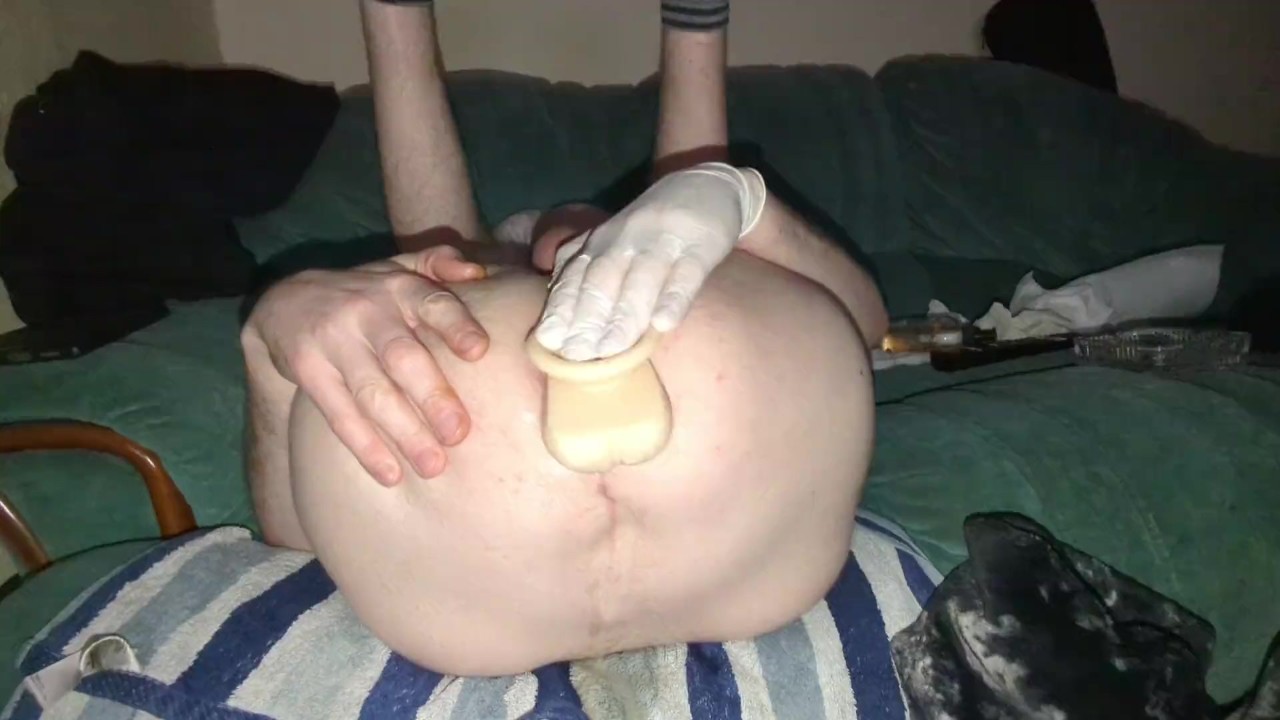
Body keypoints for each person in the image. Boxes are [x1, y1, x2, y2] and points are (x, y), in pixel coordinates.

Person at [240, 0, 890, 677]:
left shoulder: (503, 282)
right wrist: (735, 197)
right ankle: (688, 31)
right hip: (749, 576)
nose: (572, 234)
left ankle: (396, 16)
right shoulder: (459, 285)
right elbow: (865, 323)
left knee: (643, 237)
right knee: (456, 260)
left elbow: (294, 541)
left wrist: (723, 197)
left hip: (481, 622)